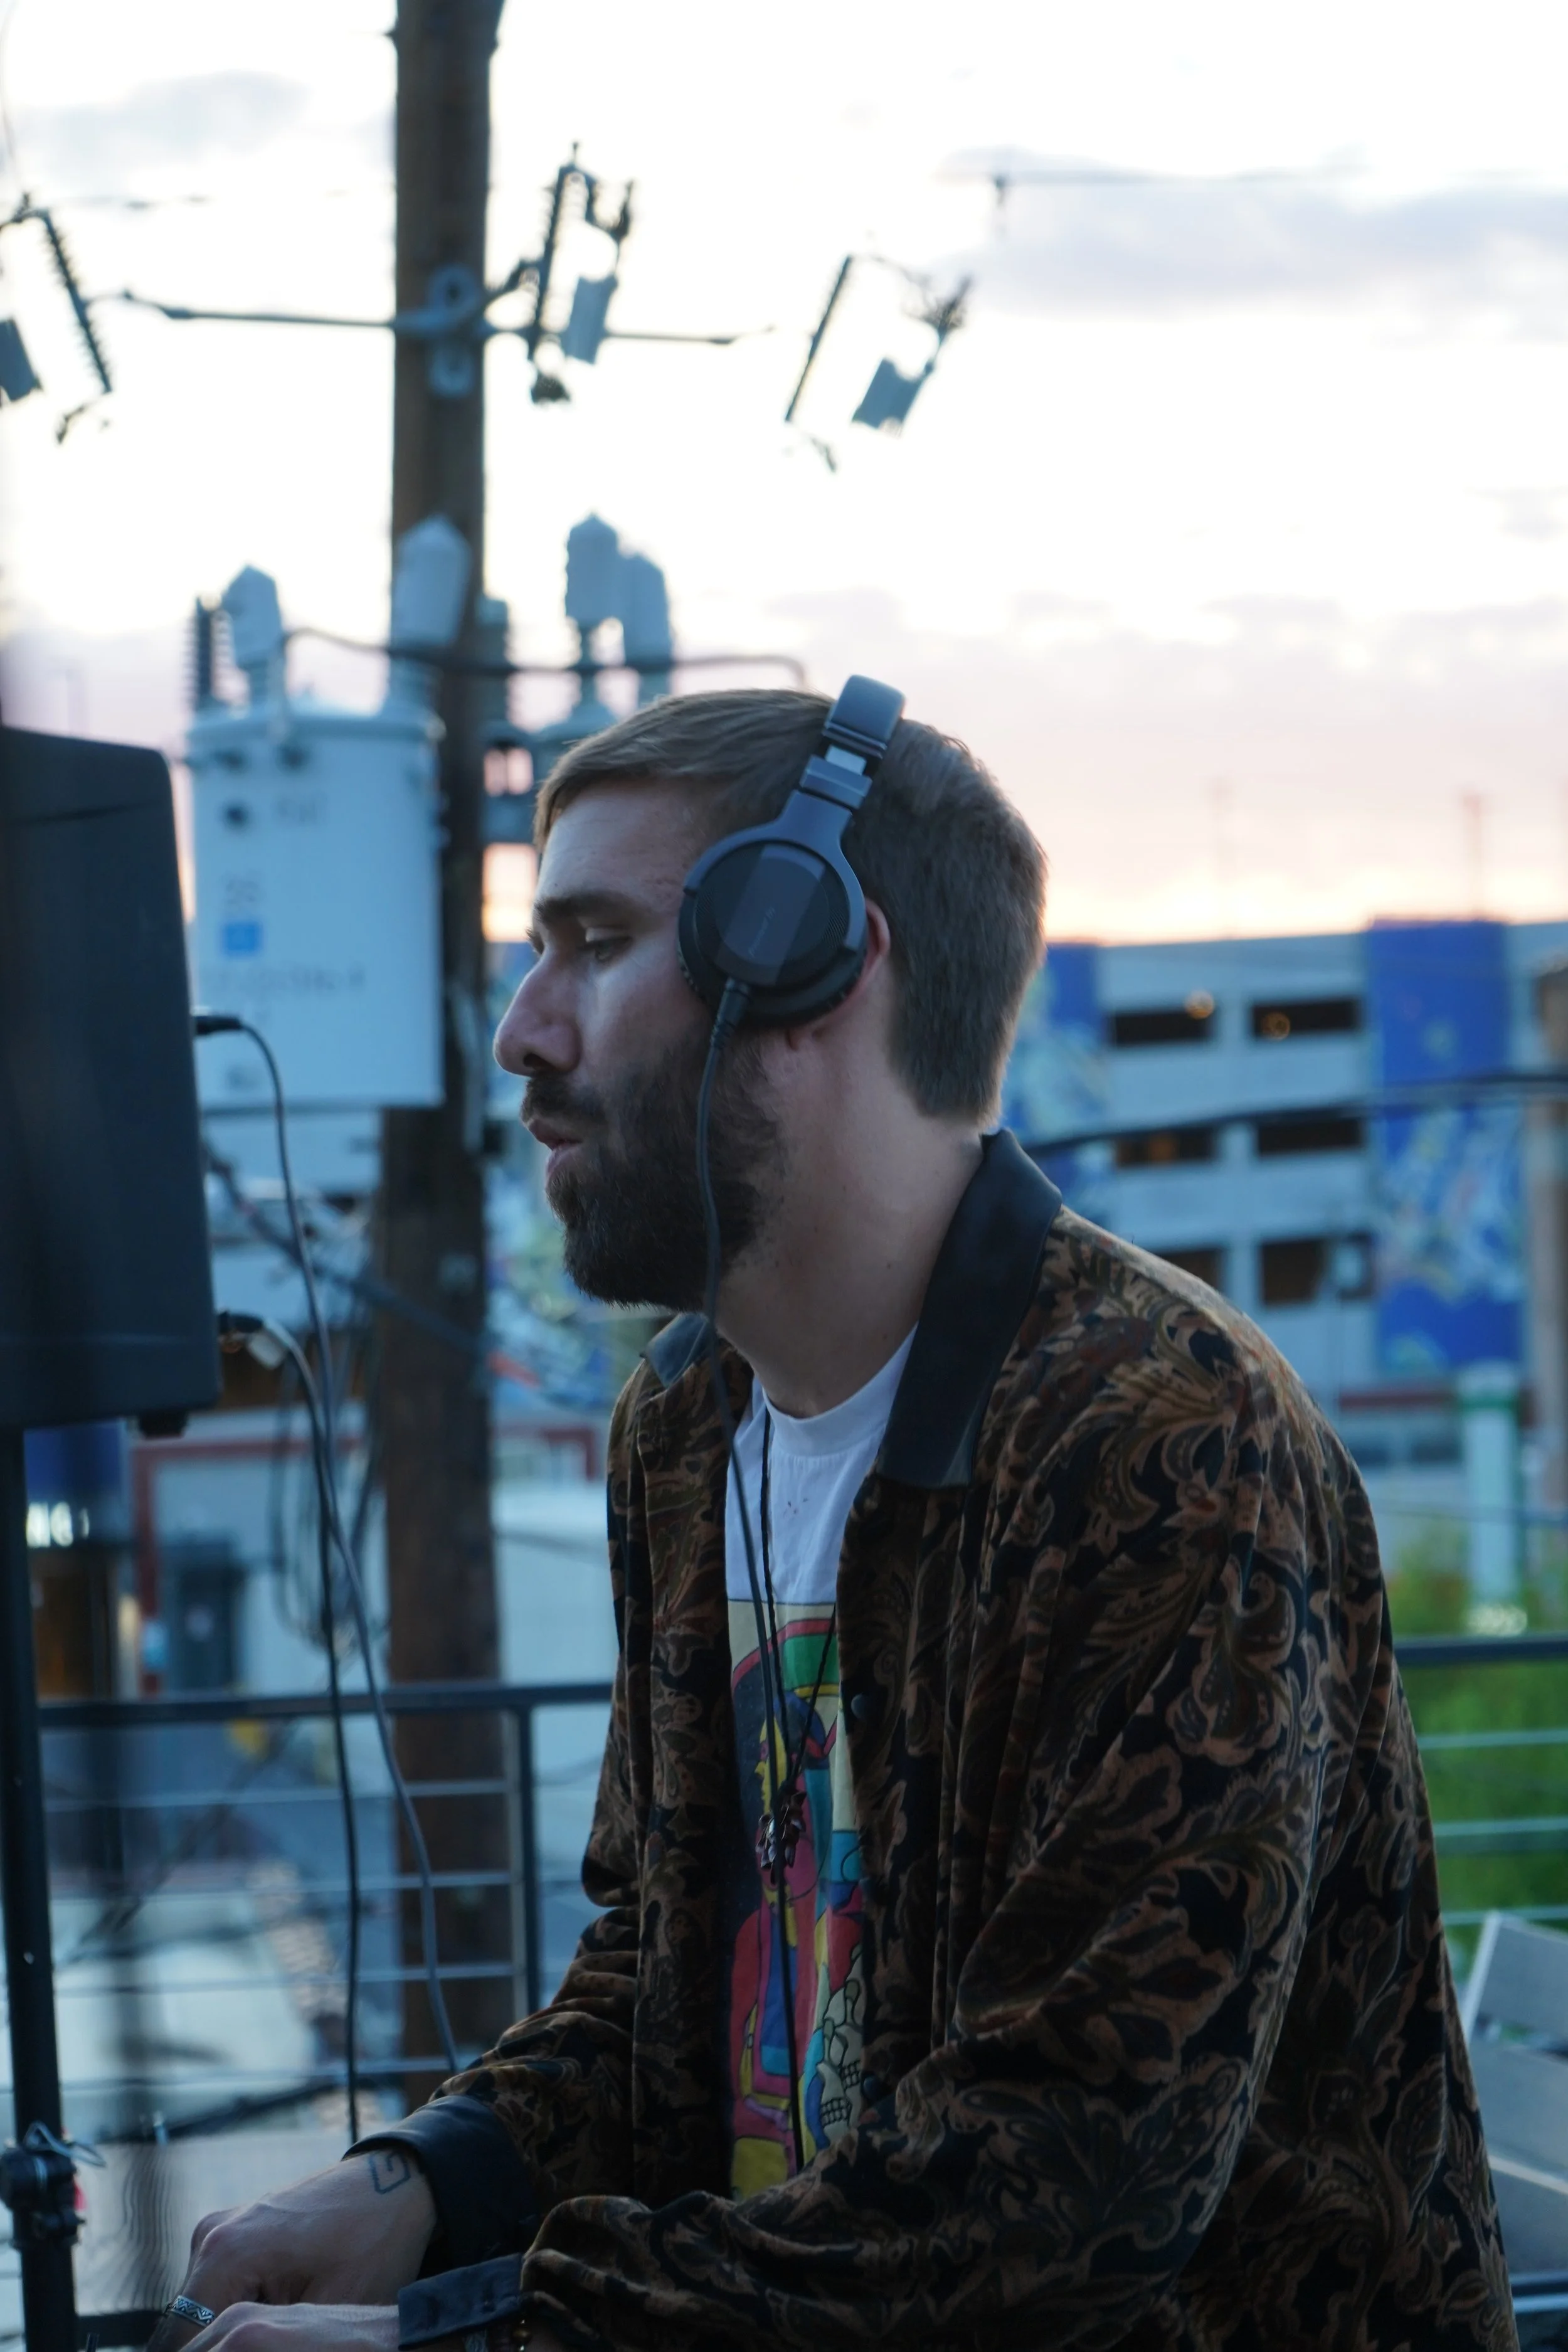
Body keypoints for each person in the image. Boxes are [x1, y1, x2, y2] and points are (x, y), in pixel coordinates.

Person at [157, 690, 1514, 2352]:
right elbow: (665, 1970)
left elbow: (1067, 2180)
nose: (522, 1030)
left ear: (804, 963)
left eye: (595, 944)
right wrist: (420, 2182)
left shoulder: (1159, 1434)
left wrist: (467, 2341)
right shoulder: (686, 1424)